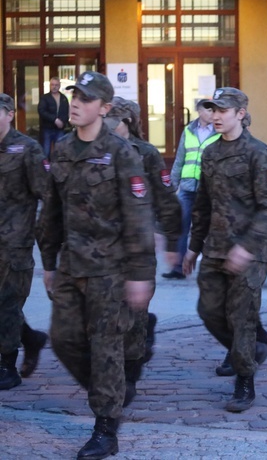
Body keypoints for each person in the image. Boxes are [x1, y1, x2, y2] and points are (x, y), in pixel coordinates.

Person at [39, 71, 156, 459]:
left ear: (105, 109)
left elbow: (139, 218)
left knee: (105, 347)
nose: (75, 103)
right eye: (74, 96)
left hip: (111, 270)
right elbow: (52, 211)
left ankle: (106, 427)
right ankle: (113, 390)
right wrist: (49, 263)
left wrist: (140, 276)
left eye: (86, 99)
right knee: (64, 339)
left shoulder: (124, 154)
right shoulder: (63, 150)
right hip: (72, 265)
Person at [183, 88, 267, 412]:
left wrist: (248, 246)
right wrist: (193, 248)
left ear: (240, 113)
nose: (215, 116)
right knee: (209, 311)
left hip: (249, 252)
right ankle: (254, 347)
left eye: (222, 110)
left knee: (241, 316)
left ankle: (244, 380)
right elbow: (202, 204)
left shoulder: (258, 153)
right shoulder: (210, 153)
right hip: (215, 247)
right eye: (212, 109)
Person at [108, 97, 182, 406]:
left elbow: (166, 200)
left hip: (138, 244)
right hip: (102, 246)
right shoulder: (97, 150)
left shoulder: (147, 154)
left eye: (113, 120)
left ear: (126, 123)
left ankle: (131, 371)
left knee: (133, 316)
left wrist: (174, 243)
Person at [0, 94, 49, 391]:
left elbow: (48, 196)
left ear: (8, 114)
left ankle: (7, 364)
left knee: (6, 303)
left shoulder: (28, 150)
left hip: (15, 244)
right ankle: (31, 338)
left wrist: (48, 247)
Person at [165, 99, 219, 279]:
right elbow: (180, 159)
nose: (212, 113)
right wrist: (172, 186)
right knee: (182, 225)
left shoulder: (218, 131)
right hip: (187, 188)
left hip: (208, 189)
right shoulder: (188, 131)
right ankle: (178, 268)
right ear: (199, 111)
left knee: (210, 228)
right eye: (208, 110)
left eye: (214, 110)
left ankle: (211, 268)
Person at [37, 76, 69, 158]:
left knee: (59, 152)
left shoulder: (64, 98)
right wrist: (54, 119)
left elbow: (66, 112)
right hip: (47, 128)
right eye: (52, 85)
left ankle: (57, 169)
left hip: (59, 129)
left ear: (59, 86)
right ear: (50, 85)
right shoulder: (45, 98)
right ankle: (45, 169)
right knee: (46, 151)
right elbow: (41, 111)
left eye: (56, 85)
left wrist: (63, 122)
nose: (54, 87)